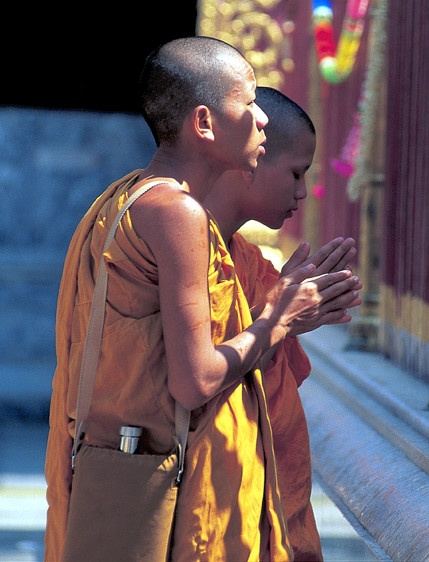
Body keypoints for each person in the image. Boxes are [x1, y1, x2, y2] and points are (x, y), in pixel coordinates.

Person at [44, 37, 360, 561]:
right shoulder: (179, 214)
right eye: (249, 103)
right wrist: (278, 318)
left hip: (122, 468)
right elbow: (194, 382)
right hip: (168, 497)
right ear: (205, 124)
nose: (261, 119)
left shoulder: (123, 197)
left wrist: (283, 309)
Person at [205, 86, 362, 561]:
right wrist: (276, 319)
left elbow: (256, 371)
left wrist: (284, 321)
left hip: (261, 502)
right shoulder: (178, 247)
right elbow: (196, 381)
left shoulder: (251, 264)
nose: (302, 193)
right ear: (254, 153)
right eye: (296, 173)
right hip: (210, 502)